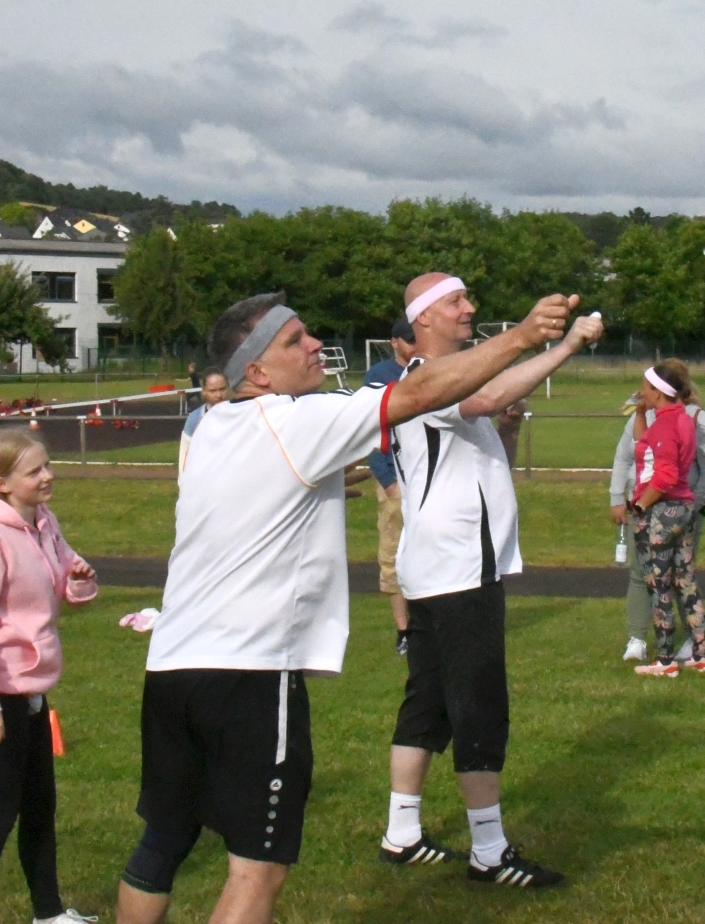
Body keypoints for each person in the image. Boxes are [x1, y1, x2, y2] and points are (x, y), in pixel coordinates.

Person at [116, 288, 577, 924]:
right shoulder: (296, 420)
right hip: (249, 675)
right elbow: (418, 393)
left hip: (171, 669)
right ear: (257, 372)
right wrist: (524, 336)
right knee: (259, 868)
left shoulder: (214, 425)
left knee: (163, 842)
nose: (316, 345)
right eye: (295, 340)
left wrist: (324, 483)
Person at [379, 274, 602, 890]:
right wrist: (565, 344)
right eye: (456, 301)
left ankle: (401, 834)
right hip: (458, 569)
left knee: (426, 702)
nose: (469, 308)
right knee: (479, 708)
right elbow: (484, 396)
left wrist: (506, 427)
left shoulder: (443, 381)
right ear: (424, 318)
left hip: (436, 565)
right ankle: (489, 850)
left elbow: (479, 432)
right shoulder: (434, 378)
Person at [0, 426, 99, 924]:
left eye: (47, 465)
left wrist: (80, 581)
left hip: (29, 689)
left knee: (39, 806)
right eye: (34, 472)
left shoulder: (43, 521)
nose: (47, 476)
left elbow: (65, 578)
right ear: (1, 484)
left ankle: (48, 913)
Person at [610, 359, 705, 663]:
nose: (639, 392)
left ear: (659, 391)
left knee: (660, 582)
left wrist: (640, 504)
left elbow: (666, 474)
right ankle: (698, 653)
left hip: (662, 511)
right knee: (682, 579)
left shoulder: (672, 422)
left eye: (645, 387)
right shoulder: (676, 418)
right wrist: (640, 412)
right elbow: (637, 447)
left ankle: (665, 658)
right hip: (678, 507)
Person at [363, 317, 418, 655]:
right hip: (395, 479)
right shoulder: (380, 376)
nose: (415, 345)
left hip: (428, 477)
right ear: (394, 342)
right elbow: (371, 430)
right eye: (409, 340)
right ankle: (404, 630)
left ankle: (428, 623)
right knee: (393, 554)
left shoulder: (430, 369)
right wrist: (388, 481)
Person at [177, 367, 228, 480]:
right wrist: (183, 483)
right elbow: (184, 454)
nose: (219, 395)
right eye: (213, 391)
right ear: (204, 391)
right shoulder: (195, 418)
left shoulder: (239, 414)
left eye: (222, 389)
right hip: (204, 480)